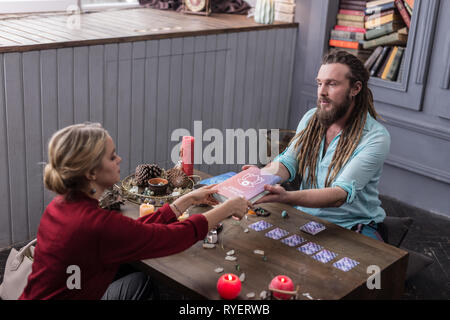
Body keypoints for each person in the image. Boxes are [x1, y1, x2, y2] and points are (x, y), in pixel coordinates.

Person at [20, 123, 250, 300]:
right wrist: (226, 207)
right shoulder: (96, 225)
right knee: (142, 282)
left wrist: (186, 200)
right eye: (111, 157)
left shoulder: (59, 206)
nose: (119, 159)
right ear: (90, 173)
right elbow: (172, 239)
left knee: (139, 280)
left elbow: (134, 231)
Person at [245, 50, 390, 241]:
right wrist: (260, 179)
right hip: (306, 217)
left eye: (332, 84)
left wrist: (286, 197)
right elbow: (287, 162)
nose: (322, 91)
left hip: (352, 225)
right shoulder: (311, 118)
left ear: (355, 89)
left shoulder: (375, 137)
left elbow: (339, 195)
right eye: (320, 83)